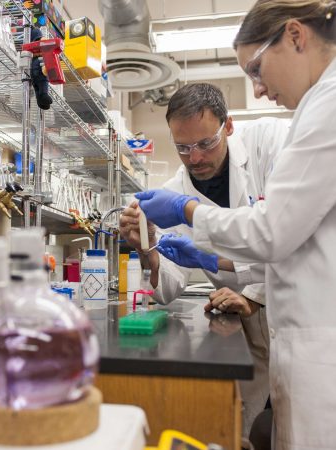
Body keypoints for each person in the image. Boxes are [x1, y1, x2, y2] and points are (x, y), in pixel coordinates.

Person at [136, 1, 336, 449]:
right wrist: (152, 247)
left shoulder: (313, 114)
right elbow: (170, 280)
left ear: (295, 37)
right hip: (297, 329)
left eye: (257, 69)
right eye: (184, 149)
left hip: (316, 334)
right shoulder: (319, 105)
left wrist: (190, 215)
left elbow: (273, 232)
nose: (259, 89)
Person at [119, 82, 289, 439]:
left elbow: (285, 233)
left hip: (292, 310)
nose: (195, 158)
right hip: (242, 324)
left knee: (300, 425)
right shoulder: (173, 193)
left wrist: (252, 294)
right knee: (245, 427)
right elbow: (168, 287)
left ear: (228, 126)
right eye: (182, 148)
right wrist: (146, 248)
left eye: (205, 143)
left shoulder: (269, 141)